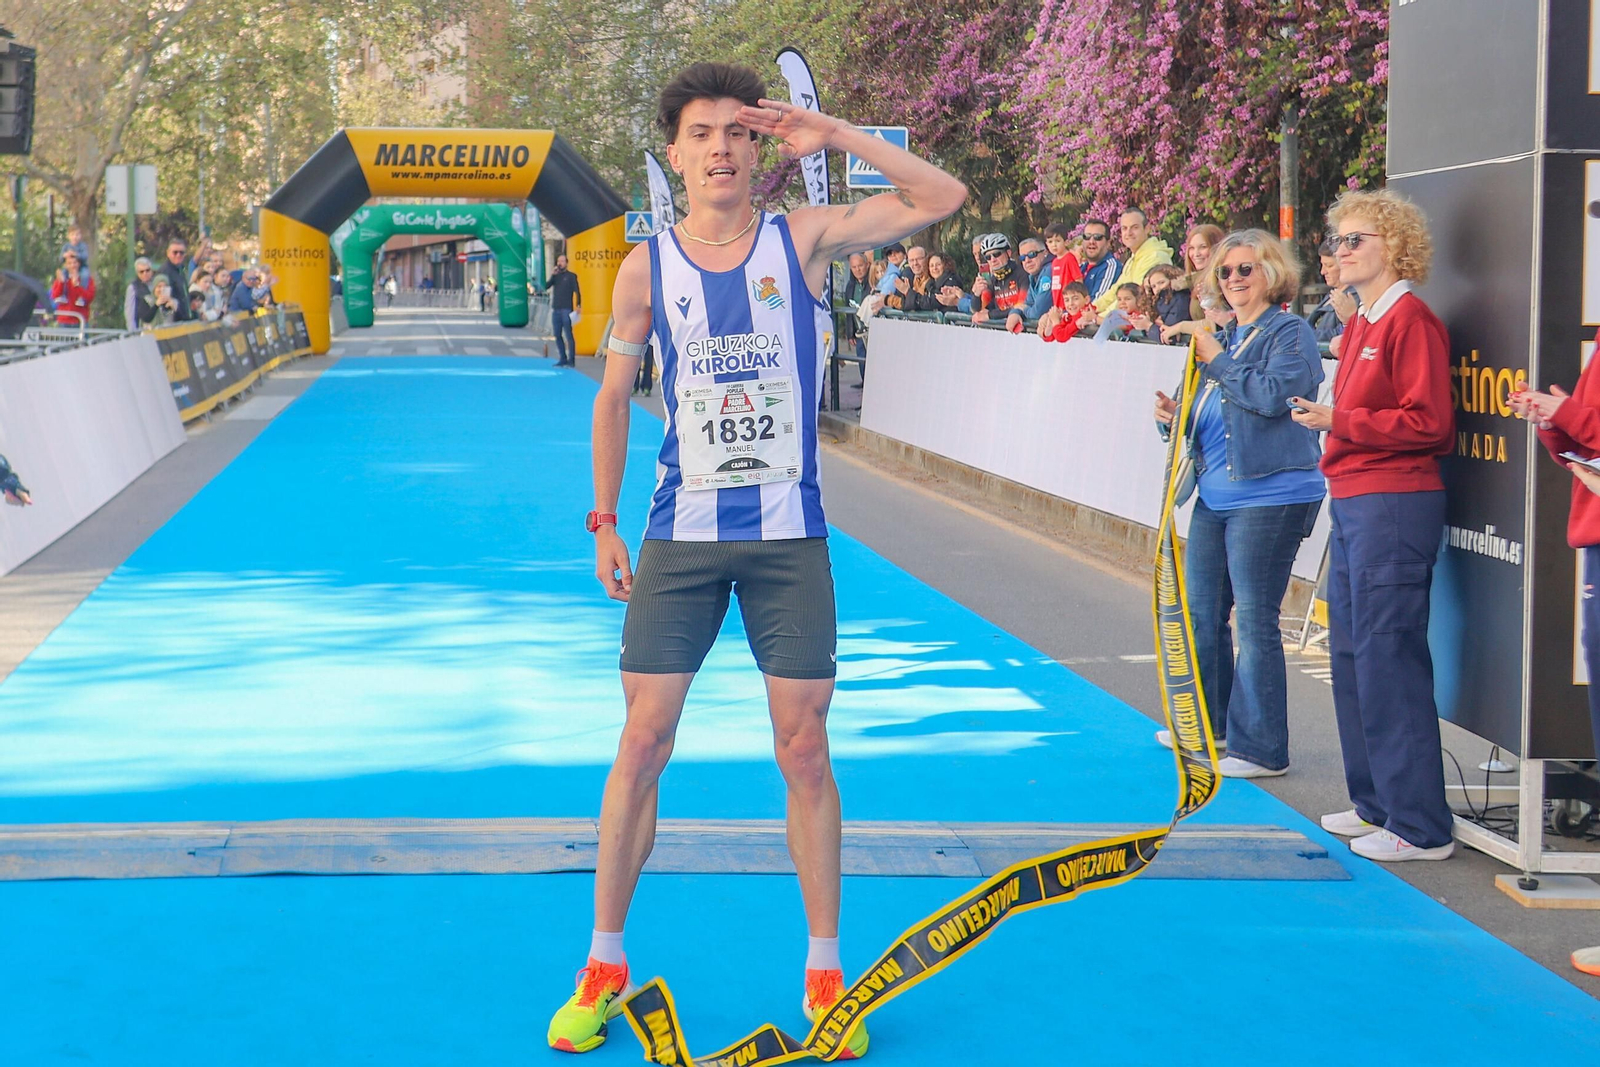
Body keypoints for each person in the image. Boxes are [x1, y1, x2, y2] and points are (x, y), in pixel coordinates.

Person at [554, 59, 965, 1058]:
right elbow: (614, 396)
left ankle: (826, 972)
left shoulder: (805, 239)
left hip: (789, 538)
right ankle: (602, 962)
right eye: (703, 134)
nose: (723, 149)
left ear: (757, 150)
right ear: (676, 153)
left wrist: (836, 134)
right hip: (678, 535)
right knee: (642, 739)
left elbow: (940, 197)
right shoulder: (647, 266)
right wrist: (604, 519)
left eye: (740, 133)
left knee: (803, 745)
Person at [1290, 188, 1456, 862]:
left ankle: (1420, 824)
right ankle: (1378, 802)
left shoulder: (1411, 320)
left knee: (1388, 655)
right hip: (1357, 496)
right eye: (1338, 241)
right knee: (1354, 652)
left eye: (1356, 239)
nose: (1342, 250)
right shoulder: (1361, 322)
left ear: (1395, 247)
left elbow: (1430, 423)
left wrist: (1341, 424)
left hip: (1394, 499)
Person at [1153, 229, 1325, 777]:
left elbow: (1278, 397)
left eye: (1245, 270)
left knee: (1253, 620)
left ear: (1272, 274)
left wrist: (1219, 362)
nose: (1233, 280)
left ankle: (1263, 748)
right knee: (1202, 612)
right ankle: (1210, 725)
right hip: (1216, 492)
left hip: (1271, 494)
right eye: (1225, 272)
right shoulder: (1224, 338)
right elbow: (1209, 416)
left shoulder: (1288, 331)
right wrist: (1171, 418)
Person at [1094, 208, 1173, 314]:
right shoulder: (1133, 258)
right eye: (1124, 228)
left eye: (1134, 228)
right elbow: (1115, 291)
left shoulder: (1155, 256)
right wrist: (1092, 309)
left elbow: (1133, 297)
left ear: (1147, 229)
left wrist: (1100, 318)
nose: (1128, 233)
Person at [1306, 237, 1358, 344]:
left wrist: (1302, 335)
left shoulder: (1354, 297)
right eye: (1322, 265)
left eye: (1329, 266)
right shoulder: (1332, 294)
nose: (1323, 271)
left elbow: (1340, 334)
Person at [971, 233, 1027, 324]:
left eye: (996, 254)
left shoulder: (1022, 274)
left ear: (1008, 253)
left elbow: (1022, 307)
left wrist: (990, 315)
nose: (993, 260)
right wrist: (977, 293)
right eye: (988, 257)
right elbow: (976, 309)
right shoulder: (993, 279)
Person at [1172, 224, 1224, 321]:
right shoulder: (1192, 280)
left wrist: (1178, 328)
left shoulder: (1222, 279)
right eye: (1192, 248)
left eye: (1203, 247)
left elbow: (1213, 325)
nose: (1196, 254)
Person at [1008, 237, 1054, 333]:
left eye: (1032, 254)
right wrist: (1015, 312)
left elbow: (1038, 312)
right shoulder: (1033, 276)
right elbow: (1027, 303)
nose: (1027, 260)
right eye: (1022, 258)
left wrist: (1023, 309)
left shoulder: (1049, 270)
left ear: (1045, 253)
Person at [1079, 217, 1122, 307]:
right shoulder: (1081, 268)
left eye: (1097, 237)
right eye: (1087, 236)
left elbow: (1096, 305)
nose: (1091, 241)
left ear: (1108, 243)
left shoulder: (1110, 266)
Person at [547, 253, 581, 367]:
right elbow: (546, 286)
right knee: (557, 334)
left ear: (566, 263)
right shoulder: (556, 277)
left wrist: (578, 305)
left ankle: (572, 359)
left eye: (562, 261)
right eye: (558, 261)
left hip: (566, 309)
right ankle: (563, 357)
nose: (560, 263)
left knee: (568, 334)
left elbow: (577, 291)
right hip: (556, 308)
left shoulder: (571, 276)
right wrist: (552, 275)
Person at [49, 250, 95, 328]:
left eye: (75, 263)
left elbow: (89, 297)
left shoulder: (86, 280)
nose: (73, 266)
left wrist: (77, 286)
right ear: (66, 265)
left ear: (79, 264)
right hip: (64, 320)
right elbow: (55, 296)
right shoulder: (61, 279)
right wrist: (61, 283)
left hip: (80, 321)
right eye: (69, 263)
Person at [1145, 264, 1189, 335]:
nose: (1158, 288)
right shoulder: (1156, 303)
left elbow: (1170, 336)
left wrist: (1149, 326)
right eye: (1154, 286)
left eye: (1161, 282)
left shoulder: (1180, 299)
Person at [157, 239, 193, 321]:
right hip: (173, 321)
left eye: (181, 252)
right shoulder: (165, 272)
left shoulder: (181, 270)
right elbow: (164, 300)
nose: (178, 255)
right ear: (168, 253)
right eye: (175, 252)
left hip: (185, 319)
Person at [125, 257, 159, 332]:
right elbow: (130, 312)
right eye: (141, 272)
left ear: (151, 270)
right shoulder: (133, 287)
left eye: (147, 270)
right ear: (137, 273)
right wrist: (132, 332)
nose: (145, 274)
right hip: (141, 328)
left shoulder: (157, 284)